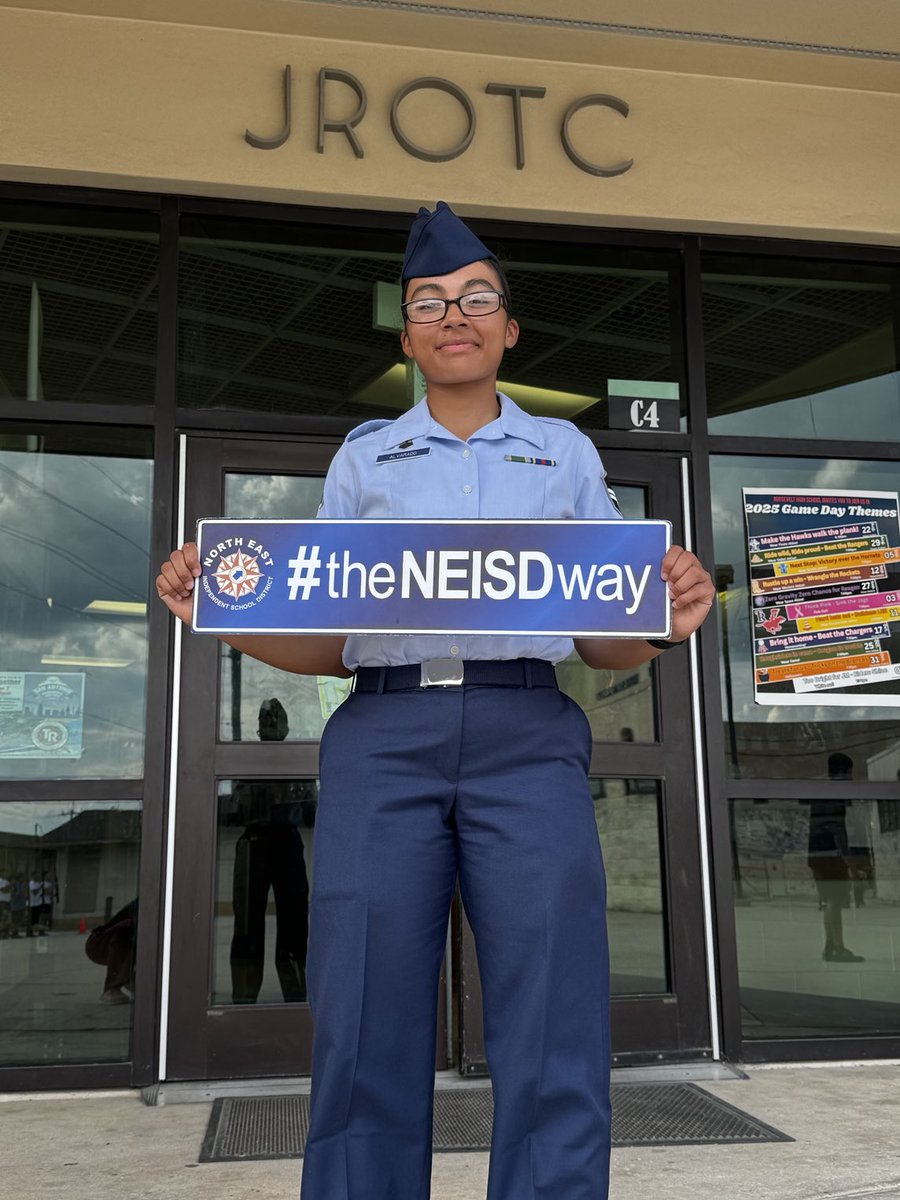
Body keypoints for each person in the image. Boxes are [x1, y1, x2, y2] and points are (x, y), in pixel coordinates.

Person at [157, 201, 715, 1200]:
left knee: (553, 1007)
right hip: (384, 732)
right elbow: (335, 641)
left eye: (476, 299)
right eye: (429, 303)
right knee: (364, 1008)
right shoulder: (366, 458)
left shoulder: (566, 456)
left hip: (527, 729)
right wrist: (224, 612)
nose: (453, 316)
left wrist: (673, 614)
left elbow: (604, 631)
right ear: (407, 332)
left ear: (509, 326)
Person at [228, 698, 311, 1004]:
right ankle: (244, 1001)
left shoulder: (298, 761)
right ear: (260, 727)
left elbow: (312, 811)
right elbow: (233, 811)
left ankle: (297, 998)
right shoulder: (245, 761)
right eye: (268, 720)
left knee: (294, 926)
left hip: (287, 845)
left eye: (276, 720)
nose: (272, 725)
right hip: (254, 845)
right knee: (247, 927)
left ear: (286, 726)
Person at [807, 752, 864, 963]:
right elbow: (839, 833)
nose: (851, 778)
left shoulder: (820, 791)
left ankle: (830, 946)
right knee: (836, 900)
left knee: (828, 901)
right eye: (849, 773)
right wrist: (850, 864)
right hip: (830, 853)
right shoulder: (835, 795)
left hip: (814, 852)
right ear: (843, 772)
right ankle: (838, 948)